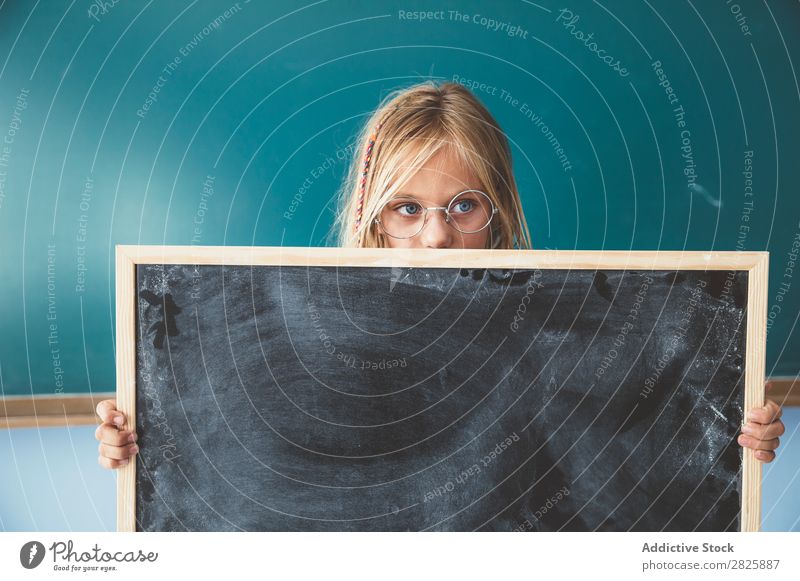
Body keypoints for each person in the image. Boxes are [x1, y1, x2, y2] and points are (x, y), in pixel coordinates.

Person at [95, 81, 784, 468]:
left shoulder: (567, 335)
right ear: (372, 217)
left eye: (464, 205)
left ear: (500, 210)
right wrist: (145, 444)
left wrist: (728, 434)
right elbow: (245, 458)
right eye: (406, 208)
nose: (435, 233)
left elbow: (634, 446)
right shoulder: (294, 345)